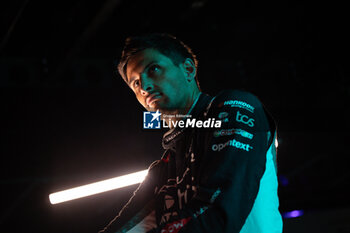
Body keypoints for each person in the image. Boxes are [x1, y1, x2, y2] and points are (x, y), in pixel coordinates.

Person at [99, 33, 283, 233]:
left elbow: (218, 213)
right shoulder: (163, 169)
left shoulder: (234, 107)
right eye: (135, 82)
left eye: (153, 69)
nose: (144, 86)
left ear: (188, 69)